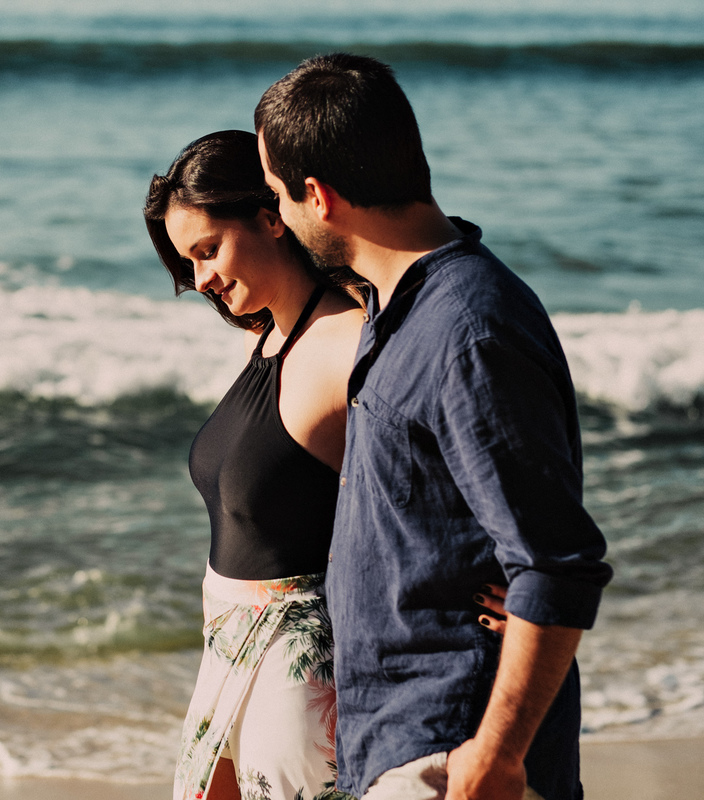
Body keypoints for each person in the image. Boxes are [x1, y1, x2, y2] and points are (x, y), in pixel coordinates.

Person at [254, 53, 613, 800]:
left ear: (317, 196)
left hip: (453, 754)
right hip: (399, 742)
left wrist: (497, 752)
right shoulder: (393, 312)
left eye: (276, 197)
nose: (278, 219)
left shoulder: (468, 331)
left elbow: (556, 563)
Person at [145, 130, 367, 800]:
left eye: (209, 250)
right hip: (227, 642)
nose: (202, 278)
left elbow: (442, 484)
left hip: (302, 659)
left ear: (272, 217)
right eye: (190, 262)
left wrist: (497, 588)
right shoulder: (265, 335)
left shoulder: (347, 343)